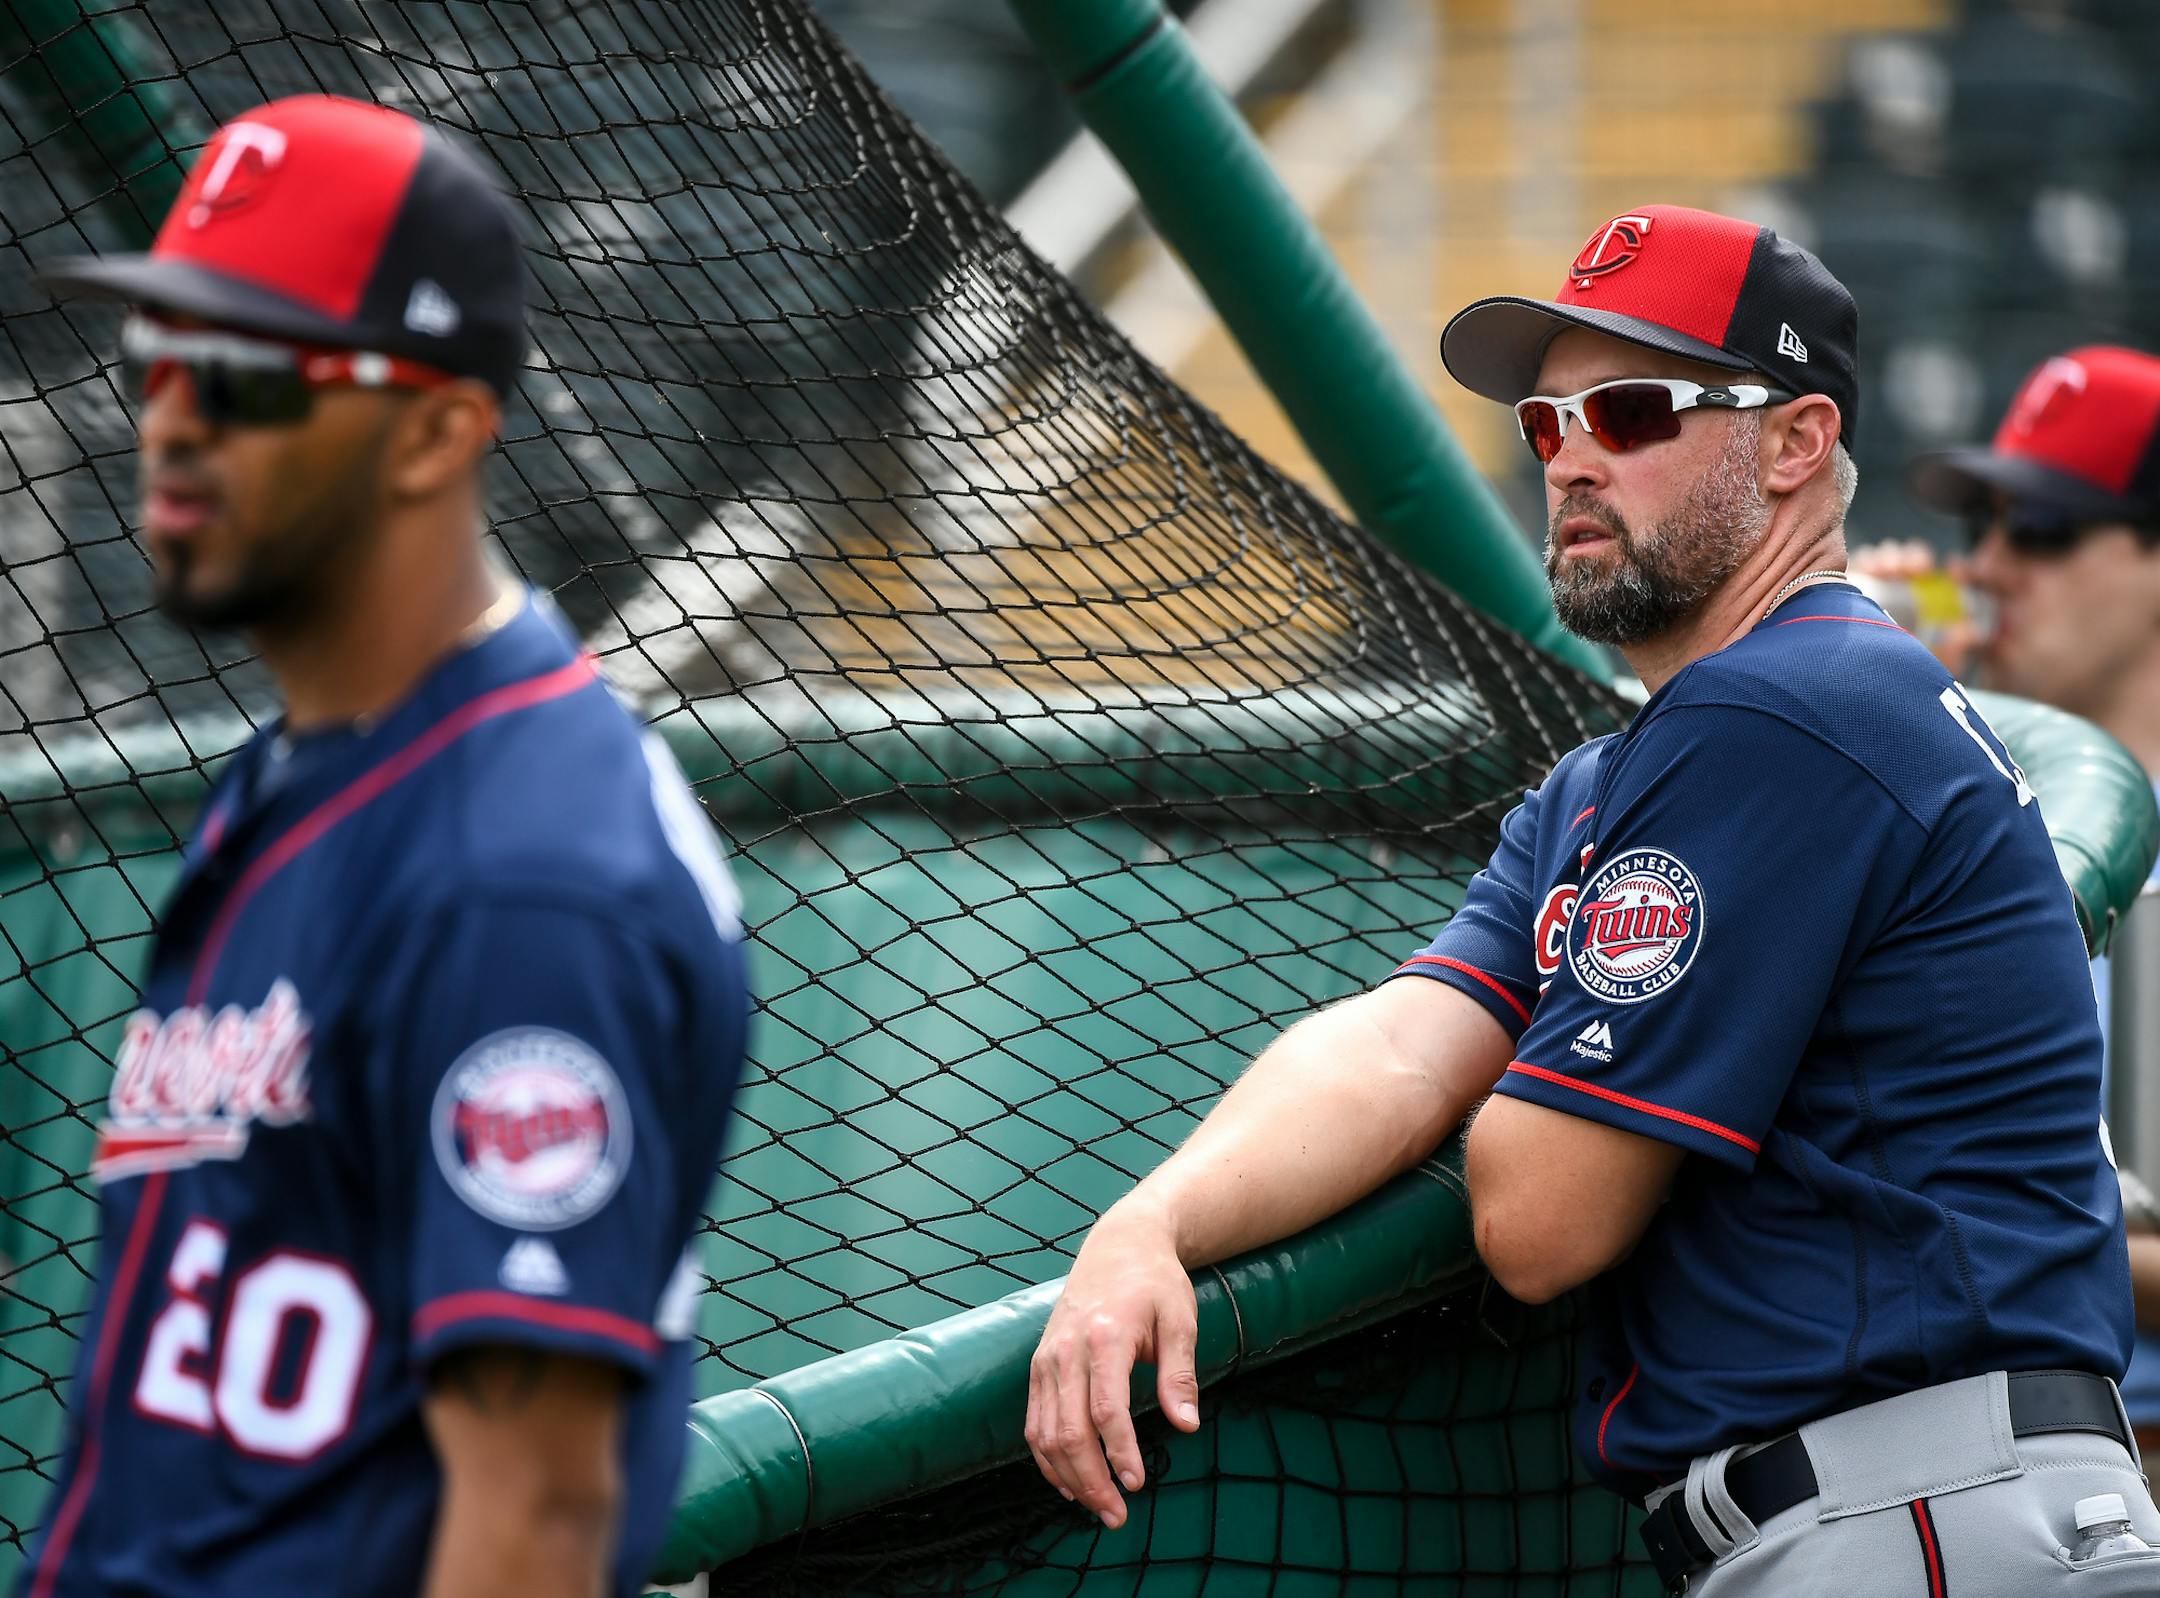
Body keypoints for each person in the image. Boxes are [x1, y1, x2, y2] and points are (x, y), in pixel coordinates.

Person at [1024, 204, 2151, 1595]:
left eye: (1628, 410)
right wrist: (1151, 1221)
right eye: (1546, 425)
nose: (1573, 459)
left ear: (1798, 443)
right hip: (1897, 1508)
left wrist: (1517, 1069)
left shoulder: (1795, 708)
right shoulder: (1622, 771)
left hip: (1924, 1508)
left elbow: (1541, 1217)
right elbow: (1393, 1046)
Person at [21, 96, 749, 1598]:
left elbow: (536, 1520)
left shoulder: (527, 881)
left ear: (437, 430)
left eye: (243, 375)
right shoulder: (314, 759)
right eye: (159, 357)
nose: (170, 416)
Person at [1891, 344, 2160, 1460]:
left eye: (2041, 531)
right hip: (1968, 1467)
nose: (1989, 567)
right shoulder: (1953, 786)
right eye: (1983, 530)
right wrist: (1883, 710)